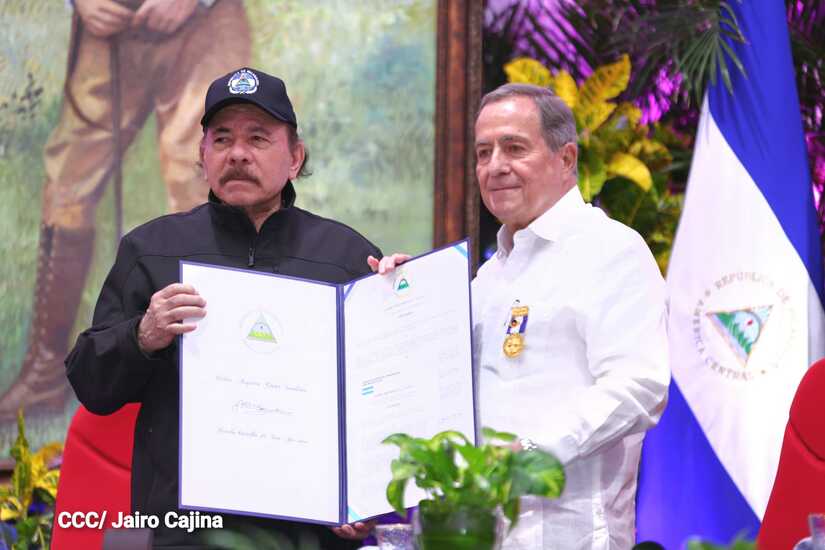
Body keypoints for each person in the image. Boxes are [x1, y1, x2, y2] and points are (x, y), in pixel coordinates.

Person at [65, 67, 378, 548]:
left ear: (295, 157)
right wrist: (143, 335)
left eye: (258, 138)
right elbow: (91, 385)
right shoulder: (152, 250)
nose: (237, 154)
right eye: (222, 138)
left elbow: (377, 402)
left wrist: (362, 496)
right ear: (203, 154)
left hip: (308, 531)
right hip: (185, 532)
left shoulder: (346, 259)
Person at [371, 83, 670, 549]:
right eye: (483, 152)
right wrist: (407, 301)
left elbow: (639, 386)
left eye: (514, 148)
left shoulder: (611, 250)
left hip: (570, 537)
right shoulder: (487, 277)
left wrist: (528, 452)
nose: (495, 166)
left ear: (566, 159)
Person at [0, 0, 251, 419]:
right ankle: (45, 372)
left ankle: (220, 376)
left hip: (205, 24)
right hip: (107, 28)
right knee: (70, 177)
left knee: (202, 182)